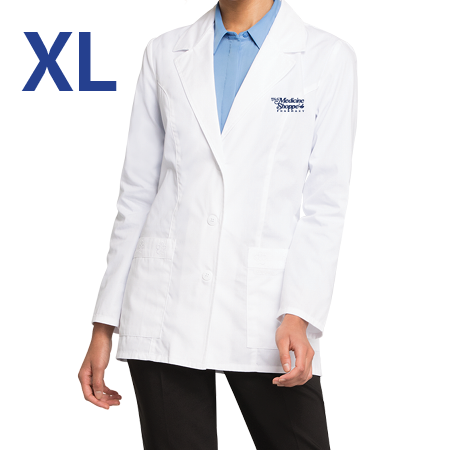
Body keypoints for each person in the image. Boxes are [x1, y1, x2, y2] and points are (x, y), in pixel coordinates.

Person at [78, 0, 358, 448]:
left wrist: (299, 314)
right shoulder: (164, 52)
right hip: (165, 304)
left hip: (269, 312)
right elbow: (137, 193)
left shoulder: (327, 57)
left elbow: (326, 204)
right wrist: (103, 325)